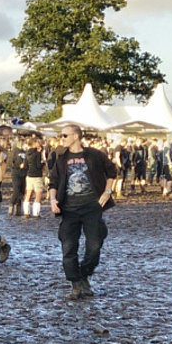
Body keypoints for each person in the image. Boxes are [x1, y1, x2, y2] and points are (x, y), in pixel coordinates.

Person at [48, 125, 117, 301]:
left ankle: (85, 273)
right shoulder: (61, 158)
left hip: (92, 208)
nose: (61, 138)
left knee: (95, 245)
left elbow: (112, 172)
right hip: (69, 209)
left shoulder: (94, 155)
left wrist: (107, 192)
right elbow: (53, 182)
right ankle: (76, 283)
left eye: (64, 135)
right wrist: (53, 200)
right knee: (68, 247)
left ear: (76, 136)